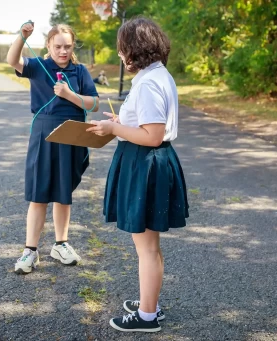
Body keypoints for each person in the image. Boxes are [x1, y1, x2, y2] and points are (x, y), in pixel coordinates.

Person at [87, 17, 189, 333]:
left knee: (146, 248)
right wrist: (123, 120)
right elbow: (147, 125)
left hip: (146, 162)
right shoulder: (157, 75)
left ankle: (146, 317)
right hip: (150, 161)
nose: (120, 55)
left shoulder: (147, 82)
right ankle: (149, 305)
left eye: (121, 49)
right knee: (150, 246)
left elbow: (153, 135)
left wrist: (114, 128)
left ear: (133, 49)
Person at [6, 22, 99, 274]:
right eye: (58, 46)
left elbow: (94, 104)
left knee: (63, 193)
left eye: (67, 47)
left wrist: (69, 95)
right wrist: (22, 36)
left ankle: (61, 244)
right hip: (44, 134)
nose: (63, 51)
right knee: (39, 194)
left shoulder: (79, 71)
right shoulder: (39, 67)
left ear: (73, 47)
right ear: (48, 45)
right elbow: (12, 60)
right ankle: (30, 251)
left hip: (72, 135)